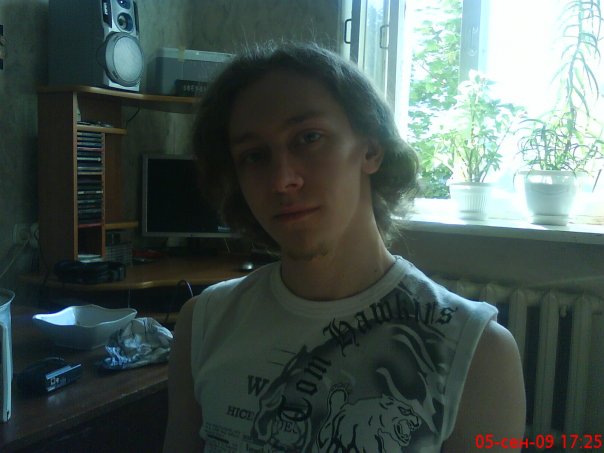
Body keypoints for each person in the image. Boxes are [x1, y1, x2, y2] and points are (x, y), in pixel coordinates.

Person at [163, 42, 525, 452]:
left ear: (371, 149)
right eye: (254, 156)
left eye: (308, 138)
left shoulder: (476, 353)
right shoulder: (203, 324)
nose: (282, 180)